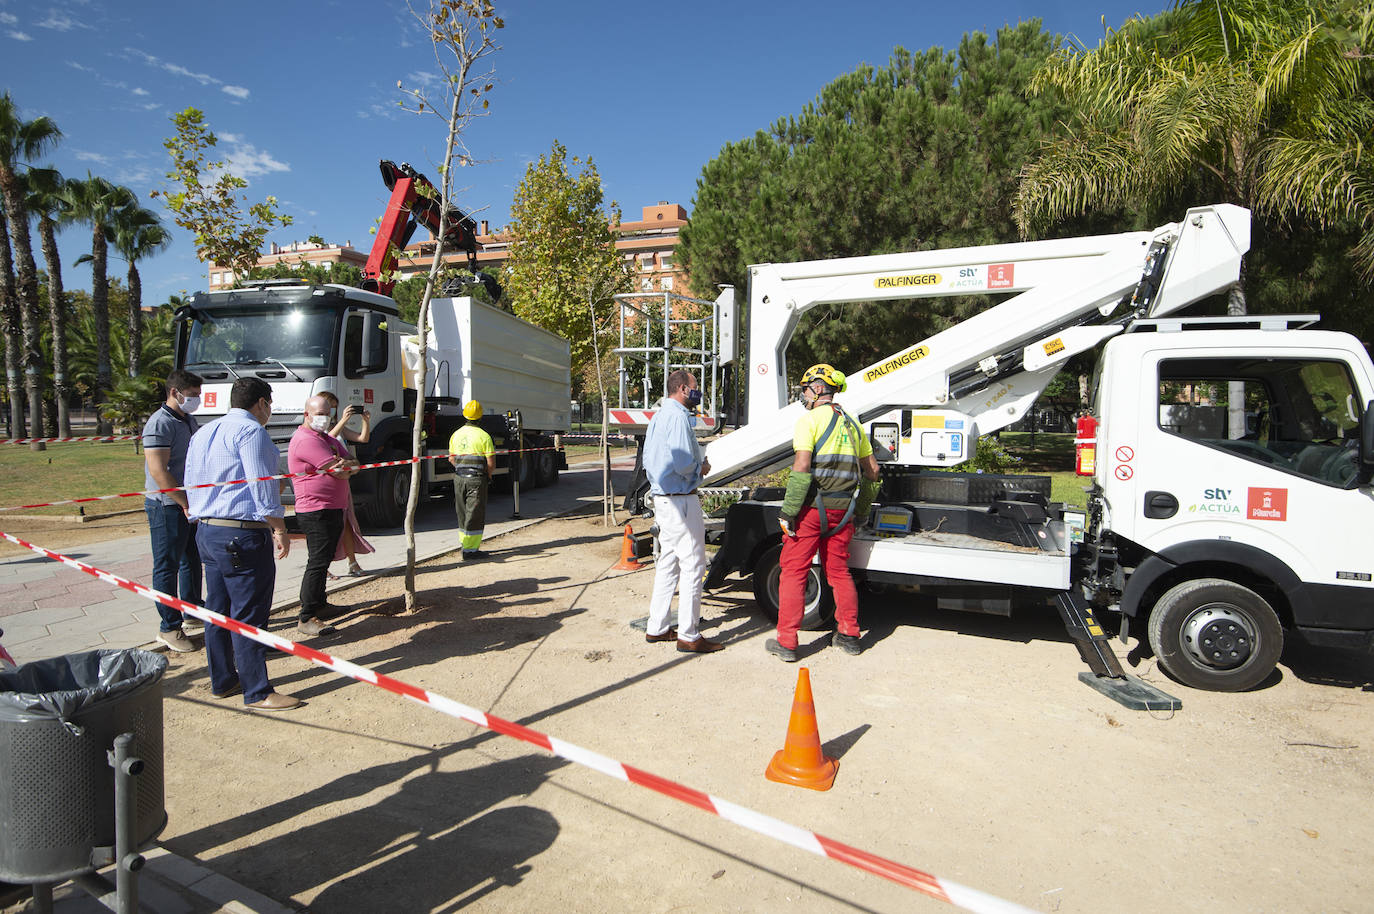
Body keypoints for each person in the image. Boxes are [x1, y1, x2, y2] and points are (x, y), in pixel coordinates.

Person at [186, 377, 301, 711]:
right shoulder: (252, 432)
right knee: (248, 613)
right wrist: (279, 527)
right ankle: (258, 691)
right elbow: (261, 485)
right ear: (262, 403)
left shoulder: (204, 432)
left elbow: (191, 478)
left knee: (217, 612)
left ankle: (223, 680)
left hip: (208, 529)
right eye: (270, 404)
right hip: (241, 532)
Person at [767, 363, 881, 662]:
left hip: (812, 511)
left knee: (793, 572)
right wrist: (861, 512)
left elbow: (802, 466)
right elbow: (873, 472)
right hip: (843, 512)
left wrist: (789, 511)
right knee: (839, 573)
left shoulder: (809, 421)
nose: (803, 396)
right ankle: (849, 636)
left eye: (805, 389)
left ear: (818, 389)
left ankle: (787, 642)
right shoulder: (853, 423)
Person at [643, 369, 722, 653]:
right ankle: (689, 635)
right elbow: (681, 460)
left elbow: (649, 458)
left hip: (665, 497)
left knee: (669, 562)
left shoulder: (661, 415)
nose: (698, 392)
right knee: (693, 565)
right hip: (679, 499)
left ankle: (658, 626)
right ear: (683, 389)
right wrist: (700, 468)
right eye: (695, 387)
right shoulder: (677, 416)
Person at [288, 395, 361, 636]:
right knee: (318, 562)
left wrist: (344, 467)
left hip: (332, 507)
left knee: (325, 558)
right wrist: (343, 467)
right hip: (315, 510)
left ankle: (320, 603)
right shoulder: (306, 440)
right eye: (319, 413)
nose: (324, 418)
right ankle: (307, 615)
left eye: (328, 413)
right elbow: (339, 470)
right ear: (306, 414)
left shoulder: (327, 439)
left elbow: (353, 463)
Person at [143, 369, 204, 652]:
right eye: (191, 395)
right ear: (174, 392)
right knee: (166, 565)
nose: (196, 400)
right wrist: (184, 503)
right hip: (167, 506)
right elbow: (159, 470)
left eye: (197, 395)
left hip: (188, 502)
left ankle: (192, 608)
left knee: (192, 559)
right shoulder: (159, 424)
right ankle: (169, 626)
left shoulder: (188, 420)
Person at [319, 392, 374, 578]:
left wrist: (365, 421)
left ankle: (352, 562)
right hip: (326, 485)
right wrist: (343, 420)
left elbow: (362, 438)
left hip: (343, 481)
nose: (332, 409)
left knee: (348, 524)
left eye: (334, 405)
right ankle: (322, 567)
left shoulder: (338, 427)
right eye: (329, 405)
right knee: (326, 528)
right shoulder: (318, 432)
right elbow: (329, 439)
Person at [448, 401, 495, 560]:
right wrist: (487, 475)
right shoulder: (484, 436)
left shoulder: (456, 434)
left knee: (461, 512)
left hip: (459, 478)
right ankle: (471, 550)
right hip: (476, 479)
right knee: (474, 513)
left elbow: (451, 459)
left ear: (465, 415)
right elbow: (491, 463)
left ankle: (465, 545)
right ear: (480, 417)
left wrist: (461, 468)